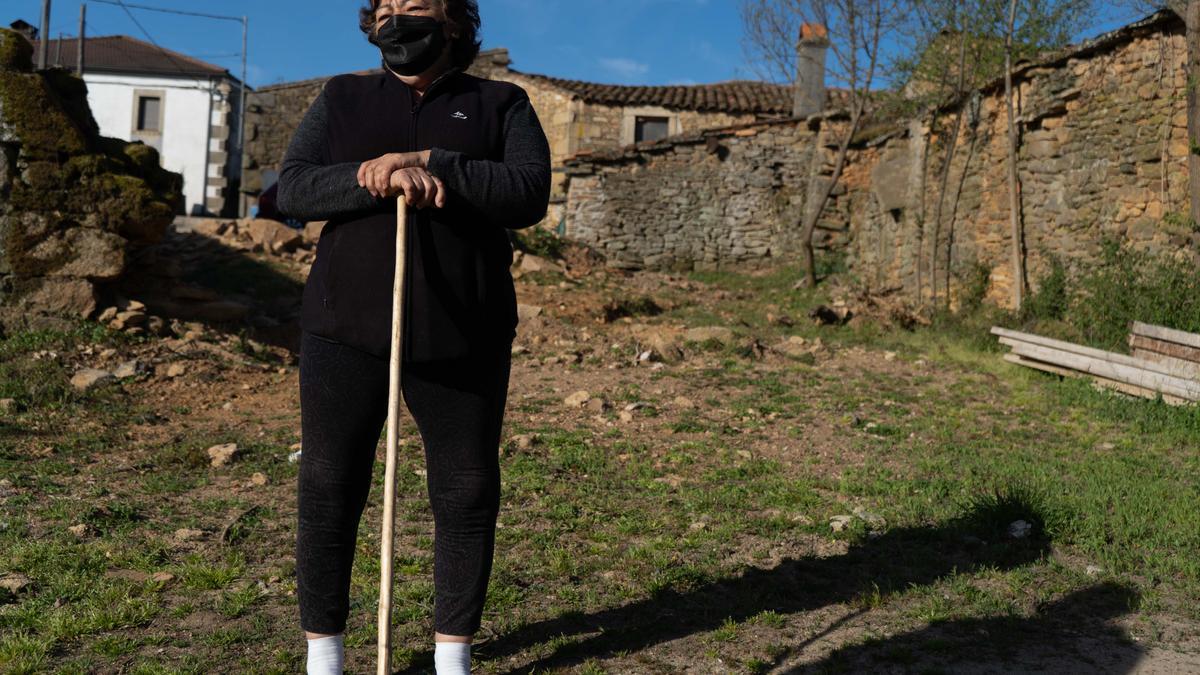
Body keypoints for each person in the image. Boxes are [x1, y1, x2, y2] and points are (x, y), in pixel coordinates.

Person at [275, 0, 551, 672]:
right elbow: (293, 189)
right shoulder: (342, 97)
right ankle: (325, 653)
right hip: (345, 325)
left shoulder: (500, 103)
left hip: (464, 329)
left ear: (452, 21)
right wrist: (375, 174)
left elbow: (528, 192)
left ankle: (451, 655)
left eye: (416, 7)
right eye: (387, 8)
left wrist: (434, 161)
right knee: (329, 481)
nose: (397, 19)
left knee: (465, 488)